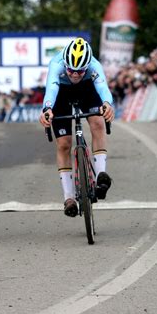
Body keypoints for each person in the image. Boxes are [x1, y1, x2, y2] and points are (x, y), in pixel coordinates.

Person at [39, 37, 115, 217]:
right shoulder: (56, 64)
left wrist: (107, 104)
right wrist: (47, 109)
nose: (74, 75)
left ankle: (101, 176)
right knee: (64, 143)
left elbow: (103, 87)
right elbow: (51, 88)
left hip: (86, 89)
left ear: (87, 66)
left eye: (80, 71)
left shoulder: (94, 66)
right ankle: (69, 198)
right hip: (62, 93)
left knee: (97, 122)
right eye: (71, 70)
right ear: (65, 64)